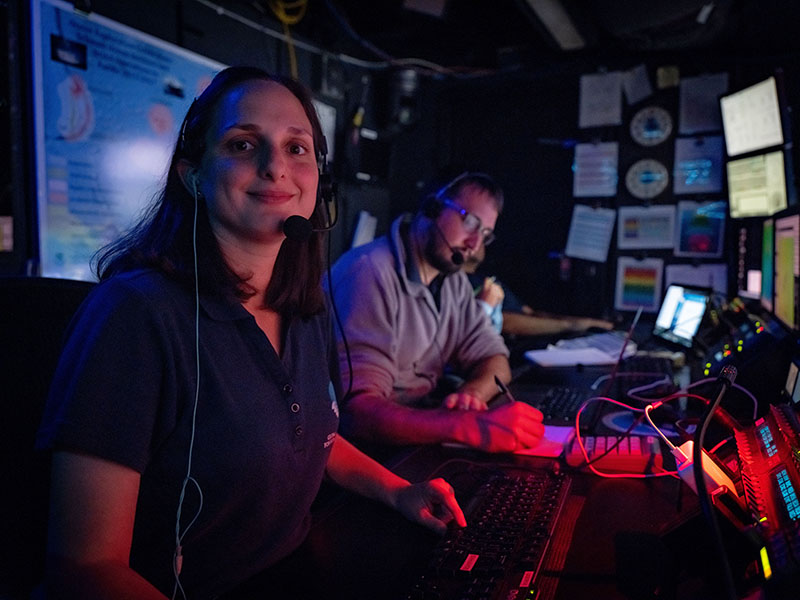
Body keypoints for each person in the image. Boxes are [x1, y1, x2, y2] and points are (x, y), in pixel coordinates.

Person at [35, 66, 465, 600]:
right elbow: (85, 569)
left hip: (295, 570)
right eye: (243, 144)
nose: (275, 168)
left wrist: (399, 492)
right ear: (192, 175)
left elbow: (311, 436)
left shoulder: (304, 308)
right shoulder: (135, 317)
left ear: (319, 181)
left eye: (297, 148)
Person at [327, 172, 545, 453]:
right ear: (432, 207)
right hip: (368, 453)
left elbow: (495, 360)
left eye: (485, 235)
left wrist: (471, 396)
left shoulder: (452, 282)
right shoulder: (369, 273)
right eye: (470, 222)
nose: (474, 244)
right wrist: (466, 426)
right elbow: (356, 415)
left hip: (416, 438)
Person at [464, 244, 615, 337]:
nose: (477, 240)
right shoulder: (460, 283)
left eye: (484, 235)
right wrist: (569, 326)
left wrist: (582, 323)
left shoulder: (486, 277)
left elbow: (528, 312)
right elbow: (507, 322)